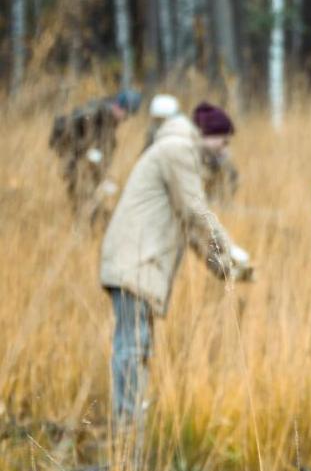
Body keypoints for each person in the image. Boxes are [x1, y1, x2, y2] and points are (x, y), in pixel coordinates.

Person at [97, 101, 251, 426]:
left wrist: (224, 267)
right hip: (135, 261)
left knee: (138, 345)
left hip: (140, 263)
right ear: (209, 135)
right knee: (132, 346)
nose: (224, 151)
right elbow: (197, 210)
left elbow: (191, 229)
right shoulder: (178, 149)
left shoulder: (178, 151)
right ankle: (126, 424)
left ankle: (131, 420)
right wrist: (230, 247)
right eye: (223, 142)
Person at [51, 88, 141, 220]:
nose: (125, 119)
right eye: (126, 114)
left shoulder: (108, 118)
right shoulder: (95, 114)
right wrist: (88, 154)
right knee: (86, 202)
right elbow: (75, 136)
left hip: (89, 170)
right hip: (79, 167)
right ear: (119, 106)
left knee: (87, 203)